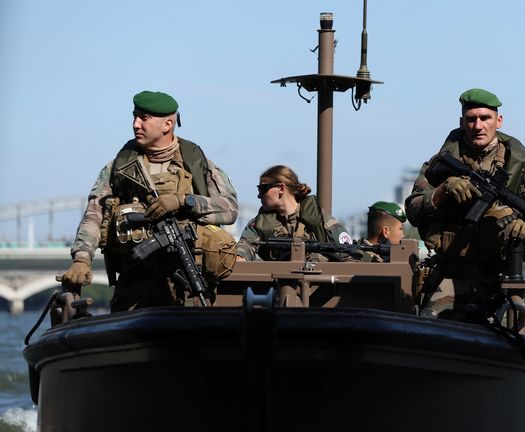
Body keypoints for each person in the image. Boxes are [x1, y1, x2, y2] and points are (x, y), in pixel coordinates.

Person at [63, 90, 238, 311]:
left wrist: (185, 201)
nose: (136, 124)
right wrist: (82, 257)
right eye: (134, 117)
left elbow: (229, 208)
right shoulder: (119, 167)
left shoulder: (196, 163)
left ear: (167, 124)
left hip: (186, 278)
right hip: (135, 280)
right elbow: (95, 214)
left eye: (144, 118)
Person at [404, 88, 525, 318]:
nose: (478, 126)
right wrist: (443, 190)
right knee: (428, 330)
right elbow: (412, 209)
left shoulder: (517, 165)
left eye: (485, 118)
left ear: (498, 121)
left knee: (511, 338)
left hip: (497, 277)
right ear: (462, 122)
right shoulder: (442, 162)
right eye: (471, 119)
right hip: (449, 274)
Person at [236, 165, 353, 261]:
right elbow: (245, 246)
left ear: (281, 188)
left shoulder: (323, 221)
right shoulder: (261, 223)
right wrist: (240, 256)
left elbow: (348, 257)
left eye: (263, 189)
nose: (259, 195)